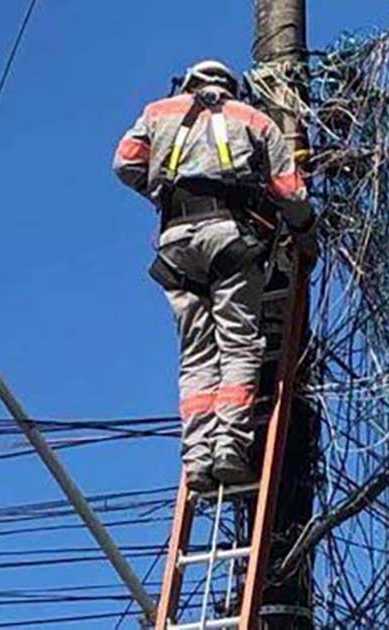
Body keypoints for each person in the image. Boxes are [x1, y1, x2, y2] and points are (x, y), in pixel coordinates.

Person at [113, 60, 315, 493]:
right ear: (231, 87)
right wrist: (304, 232)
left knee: (197, 356)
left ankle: (197, 457)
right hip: (229, 238)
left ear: (189, 84)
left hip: (175, 246)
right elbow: (290, 191)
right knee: (239, 345)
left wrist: (161, 189)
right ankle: (229, 447)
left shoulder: (157, 112)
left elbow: (124, 163)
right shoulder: (253, 119)